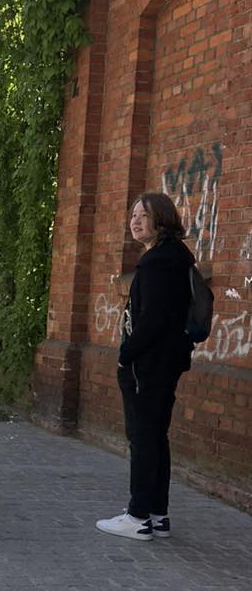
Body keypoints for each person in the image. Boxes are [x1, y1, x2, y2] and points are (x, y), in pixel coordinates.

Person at [97, 192, 194, 541]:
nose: (135, 221)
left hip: (147, 365)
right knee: (155, 436)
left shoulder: (156, 263)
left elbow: (151, 320)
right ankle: (157, 514)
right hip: (167, 362)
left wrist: (126, 355)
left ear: (162, 219)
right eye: (133, 215)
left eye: (144, 215)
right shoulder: (178, 257)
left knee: (142, 438)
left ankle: (138, 516)